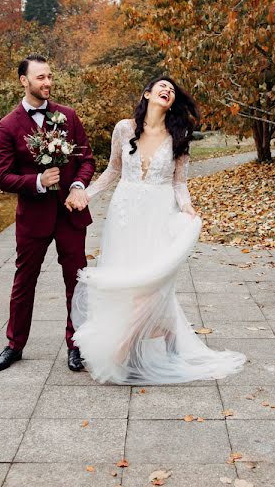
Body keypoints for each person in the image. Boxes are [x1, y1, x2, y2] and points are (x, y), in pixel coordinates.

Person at [69, 76, 246, 384]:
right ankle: (167, 332)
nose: (167, 91)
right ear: (147, 93)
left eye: (172, 90)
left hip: (159, 212)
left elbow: (179, 182)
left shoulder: (179, 133)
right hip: (125, 213)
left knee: (152, 282)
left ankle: (121, 349)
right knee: (129, 281)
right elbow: (113, 170)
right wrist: (87, 194)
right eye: (162, 86)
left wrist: (188, 207)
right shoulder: (124, 129)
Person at [0, 54, 96, 373]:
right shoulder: (8, 126)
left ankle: (77, 344)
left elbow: (87, 159)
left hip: (69, 214)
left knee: (77, 281)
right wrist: (36, 181)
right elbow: (3, 177)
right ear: (24, 81)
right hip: (33, 218)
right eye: (40, 78)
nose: (47, 82)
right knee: (24, 282)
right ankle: (14, 346)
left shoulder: (69, 116)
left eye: (50, 76)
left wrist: (78, 185)